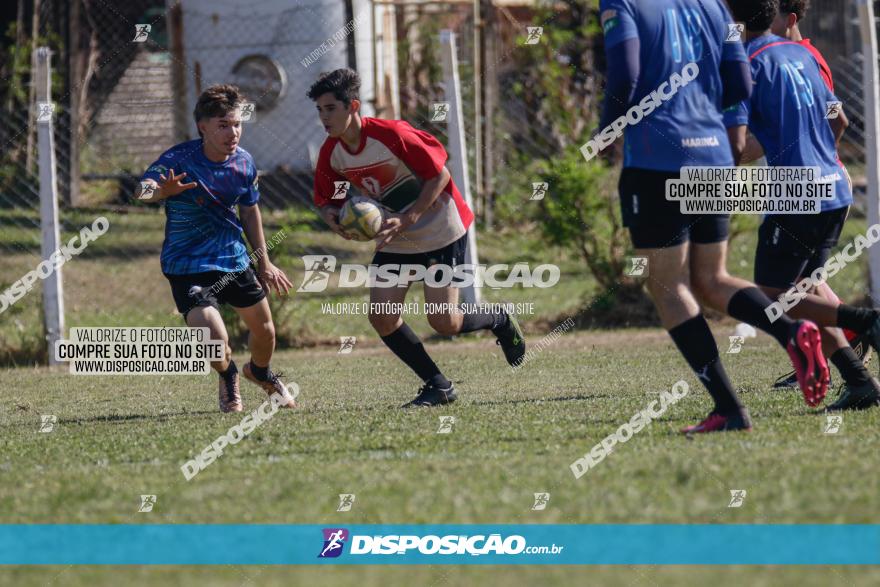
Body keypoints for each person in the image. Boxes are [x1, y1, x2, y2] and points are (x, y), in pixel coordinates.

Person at [598, 0, 829, 433]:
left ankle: (730, 408)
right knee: (713, 279)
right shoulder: (714, 5)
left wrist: (606, 130)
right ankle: (791, 333)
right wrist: (700, 111)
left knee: (669, 285)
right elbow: (739, 82)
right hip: (715, 155)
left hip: (657, 159)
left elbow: (625, 74)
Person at [308, 68, 525, 407]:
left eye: (330, 108)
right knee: (381, 315)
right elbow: (328, 198)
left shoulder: (393, 135)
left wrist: (409, 216)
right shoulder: (331, 153)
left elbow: (440, 175)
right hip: (396, 236)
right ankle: (438, 385)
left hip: (440, 228)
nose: (324, 117)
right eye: (319, 110)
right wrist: (335, 219)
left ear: (352, 106)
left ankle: (498, 318)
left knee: (445, 322)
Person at [136, 84, 297, 413]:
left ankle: (259, 371)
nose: (233, 132)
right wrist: (159, 192)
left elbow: (250, 211)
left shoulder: (244, 164)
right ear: (203, 126)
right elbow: (142, 189)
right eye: (223, 125)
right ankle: (228, 374)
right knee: (214, 340)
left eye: (237, 124)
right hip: (187, 266)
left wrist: (263, 262)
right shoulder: (179, 159)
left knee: (265, 333)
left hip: (234, 261)